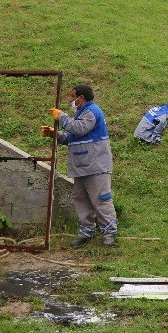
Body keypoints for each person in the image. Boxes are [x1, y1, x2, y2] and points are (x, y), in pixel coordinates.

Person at [40, 85, 117, 247]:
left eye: (73, 96)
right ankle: (87, 231)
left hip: (96, 166)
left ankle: (109, 233)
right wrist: (55, 134)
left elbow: (79, 129)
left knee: (101, 200)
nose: (71, 99)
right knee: (81, 200)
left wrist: (61, 117)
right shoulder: (82, 114)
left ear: (81, 98)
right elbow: (73, 138)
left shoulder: (92, 112)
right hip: (82, 166)